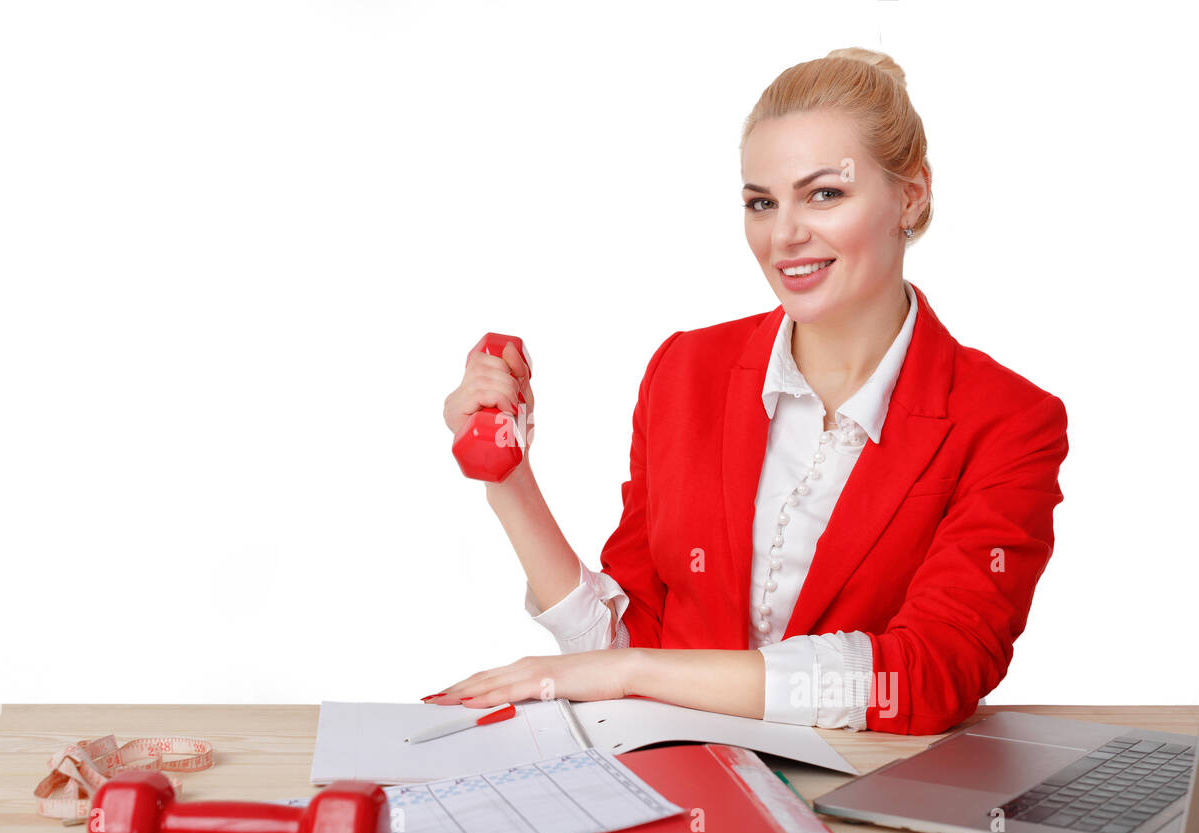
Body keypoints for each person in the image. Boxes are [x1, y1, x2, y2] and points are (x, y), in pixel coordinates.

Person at [435, 48, 1068, 735]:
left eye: (825, 193)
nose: (785, 235)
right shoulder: (683, 372)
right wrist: (508, 478)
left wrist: (633, 674)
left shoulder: (1009, 421)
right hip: (692, 785)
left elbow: (932, 672)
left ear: (910, 194)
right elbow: (622, 645)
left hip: (863, 799)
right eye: (761, 203)